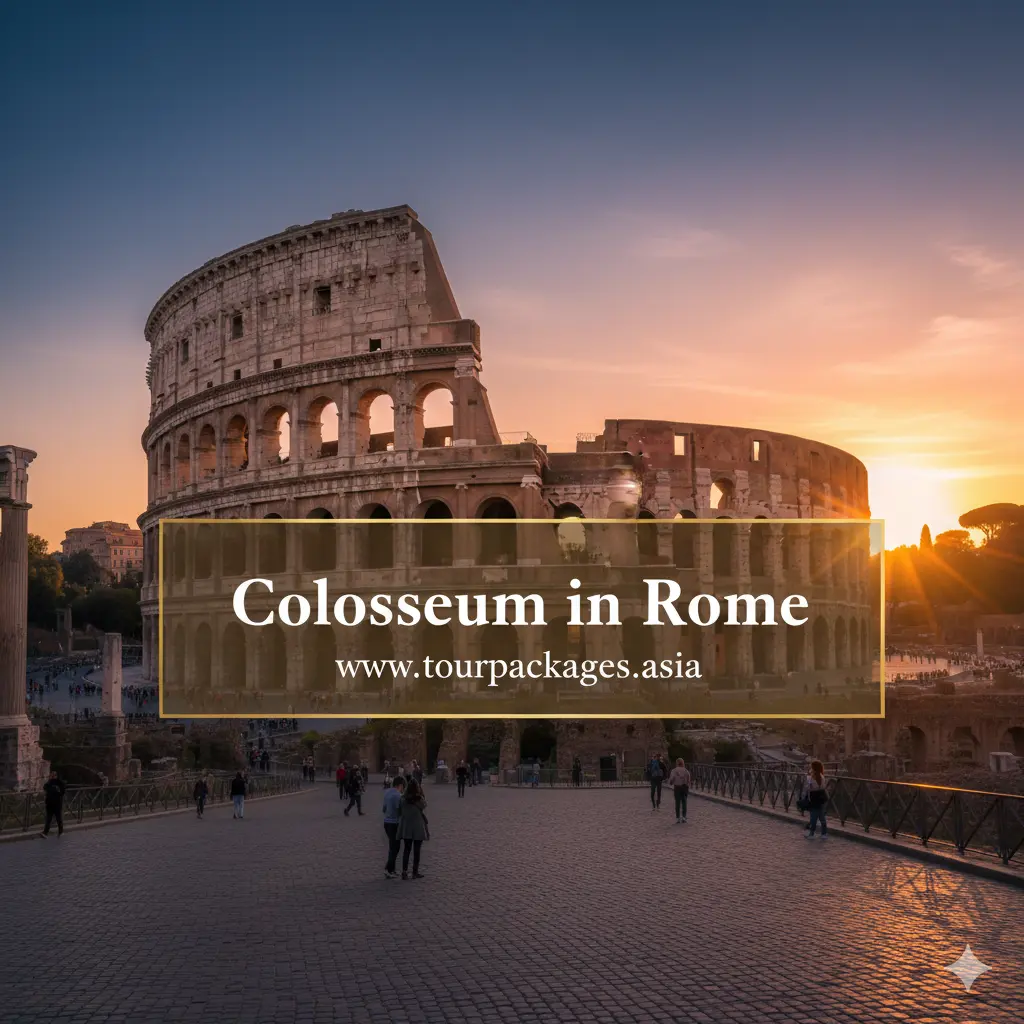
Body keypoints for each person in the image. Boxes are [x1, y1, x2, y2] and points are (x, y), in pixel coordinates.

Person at [397, 777, 428, 879]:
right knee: (417, 850)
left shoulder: (403, 799)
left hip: (407, 826)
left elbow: (399, 810)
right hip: (418, 826)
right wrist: (421, 793)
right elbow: (424, 805)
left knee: (406, 849)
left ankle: (404, 872)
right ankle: (415, 872)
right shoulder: (419, 799)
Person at [382, 775, 405, 878]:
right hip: (394, 823)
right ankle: (388, 869)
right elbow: (399, 811)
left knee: (393, 846)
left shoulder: (386, 792)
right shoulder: (398, 795)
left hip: (386, 822)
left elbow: (384, 808)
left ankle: (392, 870)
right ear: (400, 785)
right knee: (395, 847)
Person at [803, 760, 829, 840]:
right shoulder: (822, 776)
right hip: (822, 798)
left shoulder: (811, 777)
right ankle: (824, 834)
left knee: (813, 817)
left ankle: (811, 834)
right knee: (822, 817)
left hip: (814, 799)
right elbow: (823, 787)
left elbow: (808, 788)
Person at [41, 769, 66, 837]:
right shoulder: (49, 783)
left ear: (56, 776)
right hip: (49, 803)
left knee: (58, 818)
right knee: (48, 819)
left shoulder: (60, 783)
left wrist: (57, 791)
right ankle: (45, 832)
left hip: (57, 803)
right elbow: (45, 787)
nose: (52, 776)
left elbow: (62, 792)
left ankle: (61, 831)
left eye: (53, 775)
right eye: (51, 775)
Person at [667, 758, 691, 823]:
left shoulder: (674, 770)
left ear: (677, 763)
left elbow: (671, 779)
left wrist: (671, 783)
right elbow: (689, 779)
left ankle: (678, 818)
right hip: (684, 787)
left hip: (677, 787)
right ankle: (684, 817)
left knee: (677, 802)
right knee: (684, 802)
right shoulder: (686, 770)